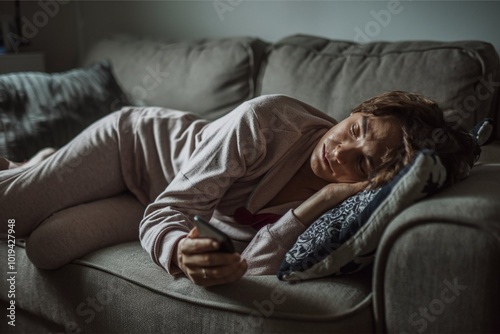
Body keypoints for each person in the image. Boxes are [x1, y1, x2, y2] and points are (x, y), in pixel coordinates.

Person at [0, 91, 479, 287]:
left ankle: (36, 165)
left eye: (364, 163)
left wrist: (322, 200)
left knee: (46, 245)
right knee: (9, 214)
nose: (340, 153)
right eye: (355, 131)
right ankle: (26, 167)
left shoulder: (350, 197)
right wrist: (176, 251)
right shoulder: (266, 121)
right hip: (134, 148)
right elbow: (169, 211)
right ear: (359, 110)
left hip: (152, 195)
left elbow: (256, 266)